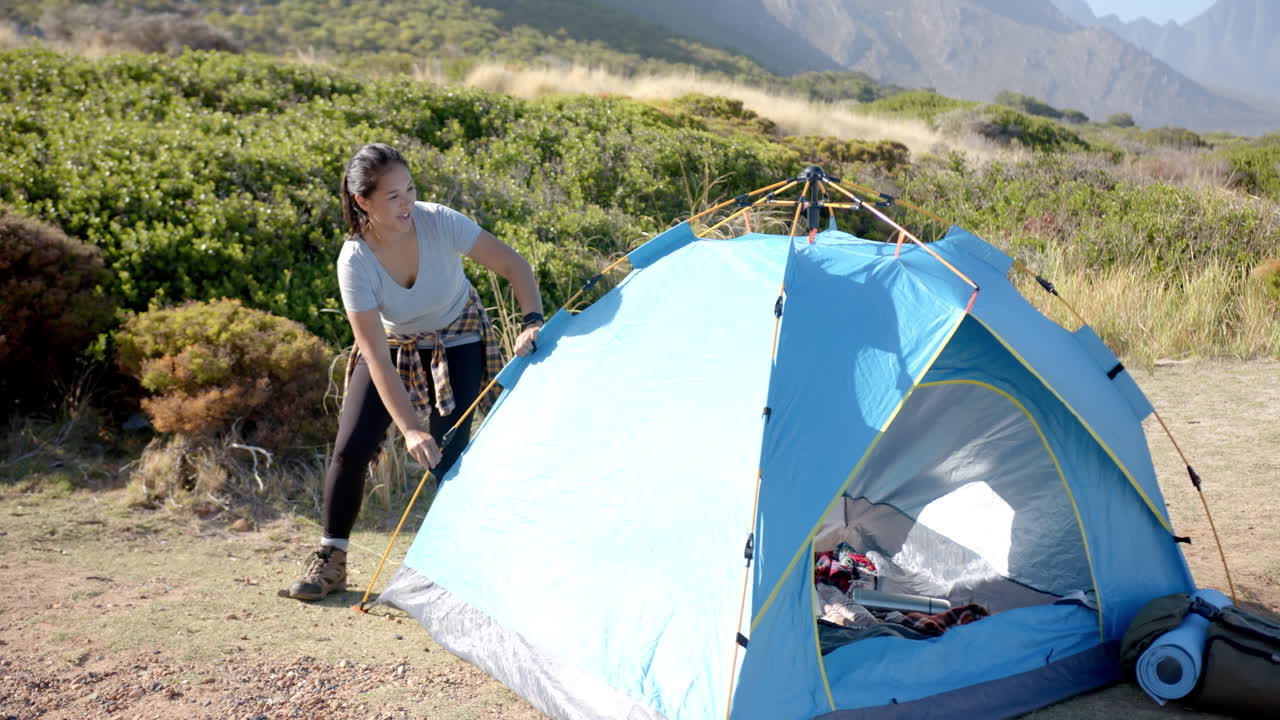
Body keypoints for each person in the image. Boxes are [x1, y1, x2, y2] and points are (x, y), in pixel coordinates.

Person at [289, 143, 544, 601]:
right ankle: (331, 559)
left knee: (449, 456)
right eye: (392, 196)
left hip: (458, 336)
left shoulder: (439, 221)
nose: (407, 202)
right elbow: (374, 352)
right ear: (362, 201)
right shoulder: (355, 260)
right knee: (351, 447)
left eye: (409, 189)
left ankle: (461, 567)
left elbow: (514, 266)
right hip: (393, 347)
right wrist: (408, 428)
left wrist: (531, 322)